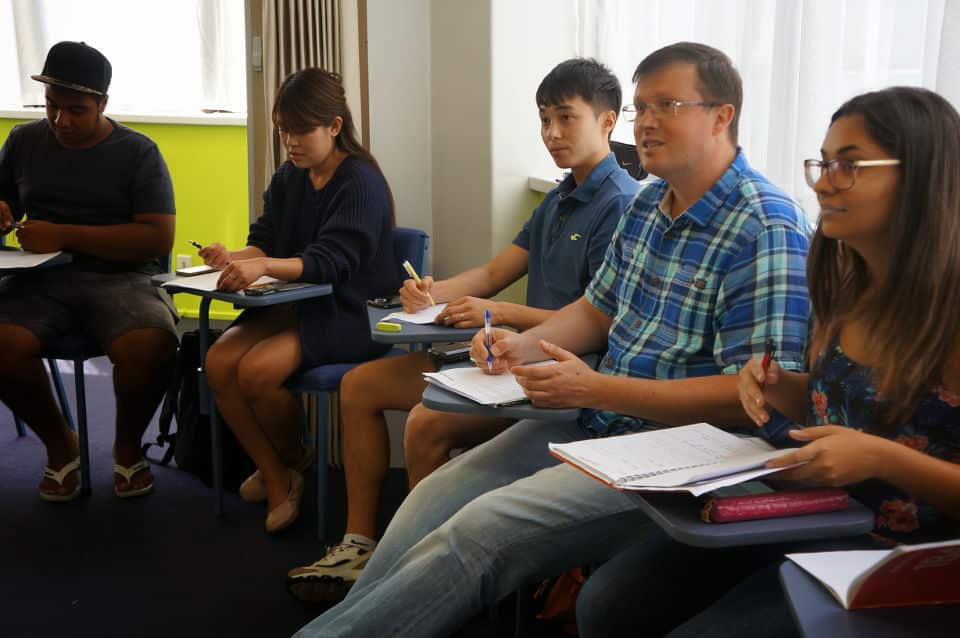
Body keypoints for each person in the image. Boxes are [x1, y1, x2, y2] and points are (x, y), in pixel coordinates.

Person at [291, 42, 811, 637]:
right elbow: (595, 309)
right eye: (643, 108)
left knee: (478, 531)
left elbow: (751, 399)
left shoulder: (765, 225)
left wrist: (598, 387)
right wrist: (520, 346)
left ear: (723, 116)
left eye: (667, 104)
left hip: (686, 455)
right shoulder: (648, 207)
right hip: (599, 420)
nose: (648, 123)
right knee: (436, 499)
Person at [286, 58, 638, 602]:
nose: (552, 134)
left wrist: (502, 315)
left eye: (566, 119)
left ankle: (420, 578)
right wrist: (435, 292)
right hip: (507, 357)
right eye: (544, 120)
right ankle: (362, 544)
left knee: (425, 424)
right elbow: (497, 273)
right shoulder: (560, 198)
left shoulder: (621, 206)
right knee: (361, 385)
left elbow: (599, 324)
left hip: (558, 369)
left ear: (609, 122)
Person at [662, 86, 960, 638]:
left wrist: (882, 459)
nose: (823, 182)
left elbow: (875, 443)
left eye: (849, 166)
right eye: (823, 163)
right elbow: (844, 404)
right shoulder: (848, 279)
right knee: (609, 604)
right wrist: (780, 386)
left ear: (922, 176)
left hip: (909, 565)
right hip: (821, 519)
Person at [200, 68, 402, 534]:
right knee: (218, 362)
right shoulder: (290, 178)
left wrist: (264, 266)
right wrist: (233, 257)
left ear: (334, 126)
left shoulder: (360, 182)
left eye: (301, 129)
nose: (290, 141)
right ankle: (277, 475)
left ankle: (292, 462)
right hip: (300, 302)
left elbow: (329, 262)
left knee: (255, 371)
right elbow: (264, 241)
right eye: (284, 130)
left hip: (352, 311)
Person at [0, 41, 178, 501]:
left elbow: (157, 239)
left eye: (76, 110)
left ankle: (126, 447)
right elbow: (6, 205)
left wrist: (63, 234)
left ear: (103, 104)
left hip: (123, 278)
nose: (61, 121)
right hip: (39, 281)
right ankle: (61, 446)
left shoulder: (138, 152)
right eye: (52, 107)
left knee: (150, 344)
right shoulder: (23, 141)